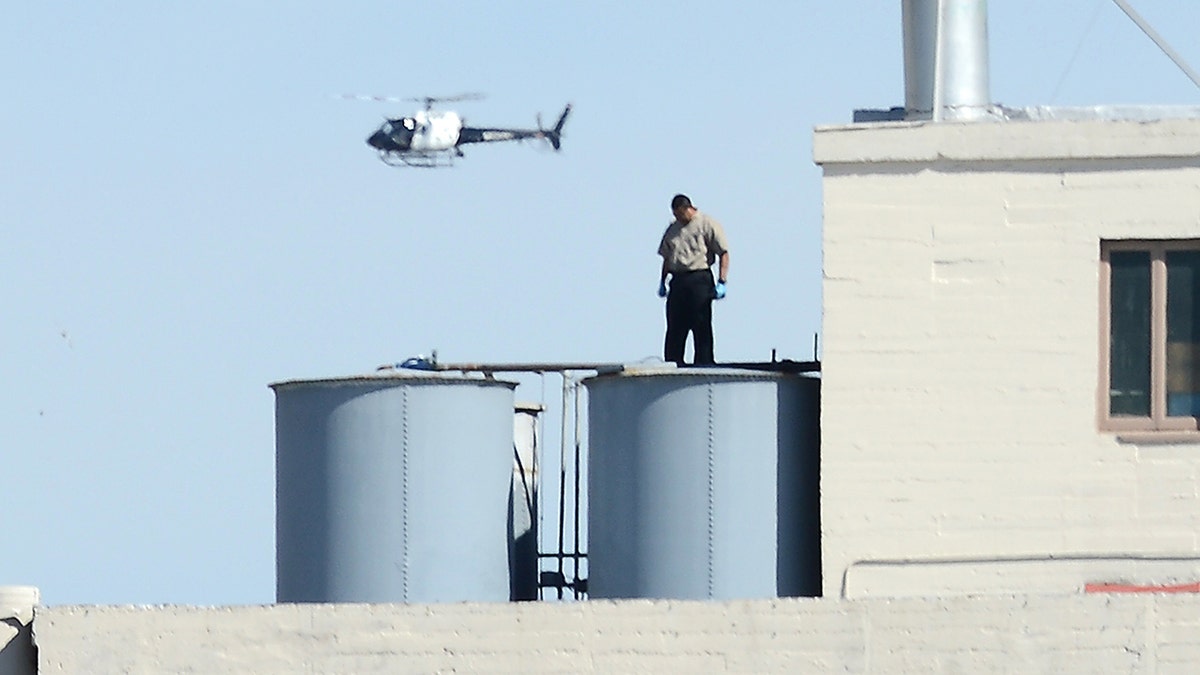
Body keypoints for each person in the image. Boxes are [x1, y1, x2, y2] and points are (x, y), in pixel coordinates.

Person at [656, 194, 730, 365]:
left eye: (680, 214)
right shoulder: (673, 229)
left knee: (701, 325)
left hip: (699, 279)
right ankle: (673, 364)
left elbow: (723, 253)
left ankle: (704, 363)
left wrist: (722, 281)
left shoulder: (706, 223)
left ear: (688, 209)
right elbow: (667, 257)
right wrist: (662, 281)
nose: (678, 218)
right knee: (675, 328)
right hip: (678, 280)